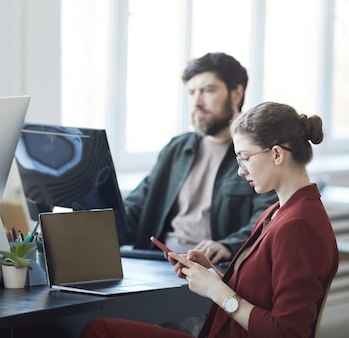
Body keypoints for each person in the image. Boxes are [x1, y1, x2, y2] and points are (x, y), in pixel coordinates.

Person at [80, 101, 339, 338]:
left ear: (277, 155)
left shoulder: (298, 226)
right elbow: (258, 295)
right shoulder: (277, 211)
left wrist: (216, 291)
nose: (241, 170)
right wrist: (211, 275)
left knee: (101, 332)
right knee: (101, 329)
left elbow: (287, 333)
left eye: (245, 158)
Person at [122, 53, 277, 264]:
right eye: (192, 92)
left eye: (207, 91)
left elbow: (269, 217)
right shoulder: (176, 148)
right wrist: (98, 220)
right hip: (157, 263)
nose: (196, 102)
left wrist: (228, 246)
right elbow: (136, 207)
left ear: (236, 94)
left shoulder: (258, 152)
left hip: (213, 271)